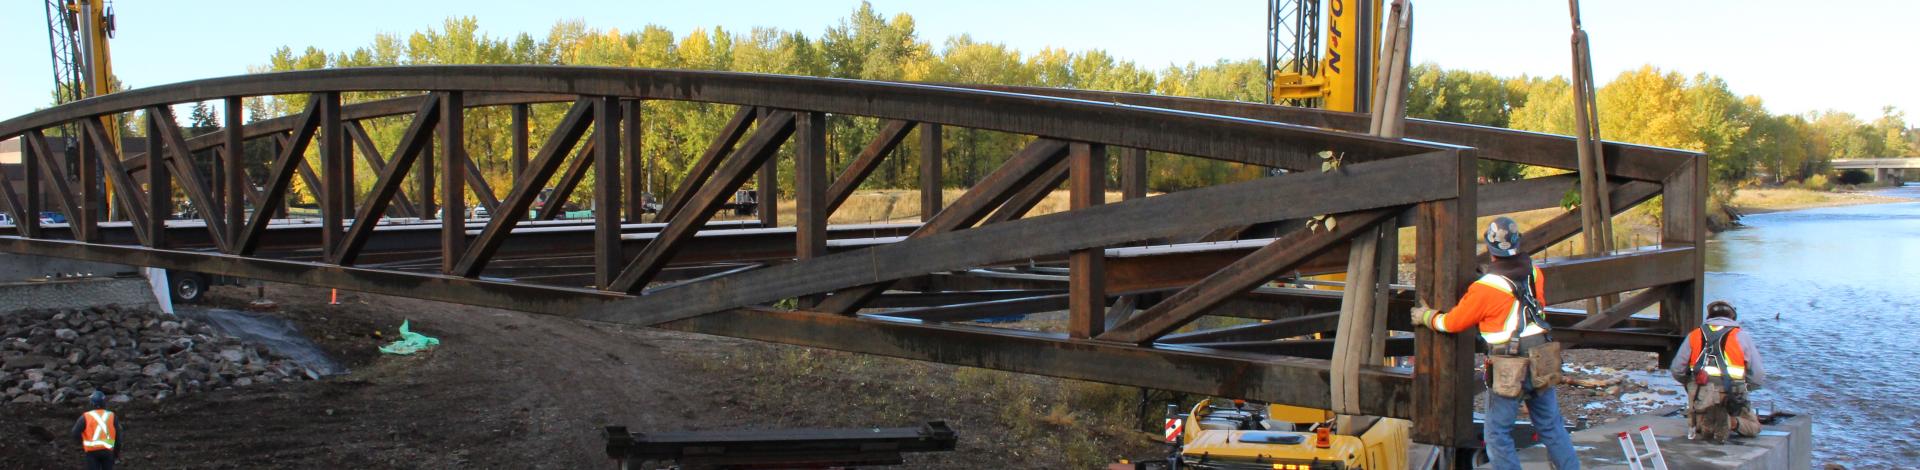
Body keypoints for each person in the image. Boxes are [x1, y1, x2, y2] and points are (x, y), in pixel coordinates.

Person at [1411, 217, 1579, 470]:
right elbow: (1538, 305)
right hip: (1542, 354)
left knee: (1497, 435)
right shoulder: (1535, 273)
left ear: (1491, 249)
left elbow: (1453, 323)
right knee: (1551, 426)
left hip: (1510, 364)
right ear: (1517, 242)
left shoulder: (1485, 288)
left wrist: (1427, 317)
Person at [1670, 300, 1765, 442]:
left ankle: (1705, 421)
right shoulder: (1742, 337)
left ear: (1709, 317)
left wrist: (1689, 384)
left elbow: (1677, 369)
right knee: (1754, 427)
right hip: (1731, 393)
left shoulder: (1694, 335)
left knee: (1700, 425)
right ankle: (1731, 422)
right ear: (1733, 317)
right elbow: (1758, 375)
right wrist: (1746, 388)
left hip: (1701, 393)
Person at [70, 390, 118, 470]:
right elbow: (118, 437)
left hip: (92, 452)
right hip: (107, 451)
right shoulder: (112, 416)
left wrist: (82, 443)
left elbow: (75, 433)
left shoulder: (86, 416)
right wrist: (116, 453)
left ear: (92, 403)